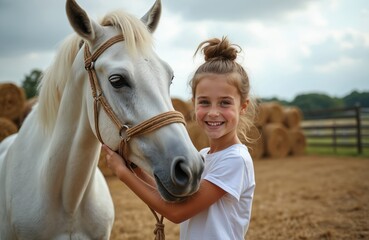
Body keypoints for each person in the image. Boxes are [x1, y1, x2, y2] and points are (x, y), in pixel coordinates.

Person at [103, 36, 256, 240]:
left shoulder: (235, 160)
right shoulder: (203, 156)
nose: (213, 112)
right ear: (193, 104)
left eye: (225, 103)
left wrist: (123, 173)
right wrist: (137, 170)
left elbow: (177, 213)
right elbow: (174, 200)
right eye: (204, 102)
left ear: (243, 106)